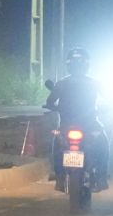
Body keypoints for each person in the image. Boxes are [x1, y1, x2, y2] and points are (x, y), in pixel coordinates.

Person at [43, 46, 109, 188]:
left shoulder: (62, 83)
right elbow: (110, 99)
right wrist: (109, 107)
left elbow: (49, 102)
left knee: (57, 143)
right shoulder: (93, 83)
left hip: (68, 124)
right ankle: (101, 176)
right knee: (102, 142)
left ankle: (59, 176)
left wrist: (53, 107)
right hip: (89, 123)